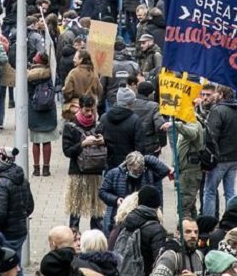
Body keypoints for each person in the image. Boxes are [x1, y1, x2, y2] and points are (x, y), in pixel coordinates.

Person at [99, 151, 172, 234]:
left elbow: (164, 170)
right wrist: (116, 200)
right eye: (135, 171)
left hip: (142, 216)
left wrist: (147, 158)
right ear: (128, 166)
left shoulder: (148, 174)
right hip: (120, 215)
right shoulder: (114, 174)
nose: (137, 173)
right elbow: (102, 192)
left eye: (140, 170)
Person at [62, 96, 107, 230]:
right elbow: (67, 151)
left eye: (92, 110)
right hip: (78, 173)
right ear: (80, 108)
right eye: (87, 110)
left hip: (96, 173)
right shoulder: (70, 127)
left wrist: (103, 141)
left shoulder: (99, 126)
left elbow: (110, 147)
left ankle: (96, 236)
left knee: (97, 212)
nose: (90, 113)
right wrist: (82, 144)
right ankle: (74, 234)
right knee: (75, 209)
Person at [203, 85, 237, 218]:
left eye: (216, 93)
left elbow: (211, 136)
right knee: (230, 192)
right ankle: (231, 219)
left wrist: (210, 157)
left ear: (221, 94)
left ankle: (209, 222)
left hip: (219, 159)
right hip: (234, 158)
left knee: (210, 191)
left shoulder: (217, 111)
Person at [0, 146, 34, 257]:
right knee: (16, 261)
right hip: (20, 231)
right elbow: (30, 207)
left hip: (6, 233)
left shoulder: (2, 184)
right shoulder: (23, 180)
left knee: (7, 263)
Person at [27, 52, 58, 177]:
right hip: (48, 111)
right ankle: (46, 168)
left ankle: (36, 169)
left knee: (36, 142)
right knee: (46, 142)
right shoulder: (50, 74)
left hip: (34, 111)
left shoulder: (29, 76)